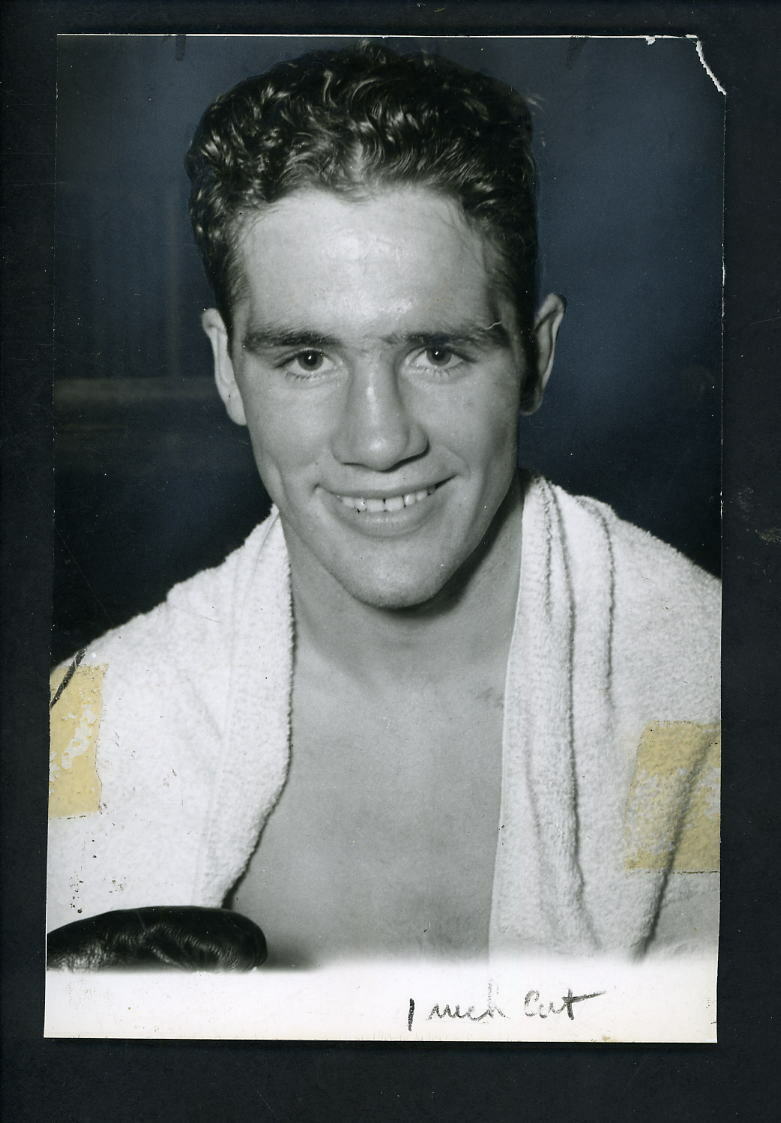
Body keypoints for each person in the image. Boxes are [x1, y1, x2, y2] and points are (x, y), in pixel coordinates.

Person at [47, 41, 720, 969]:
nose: (376, 438)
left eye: (437, 353)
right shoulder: (93, 727)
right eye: (305, 358)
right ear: (225, 370)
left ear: (537, 355)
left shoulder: (721, 682)